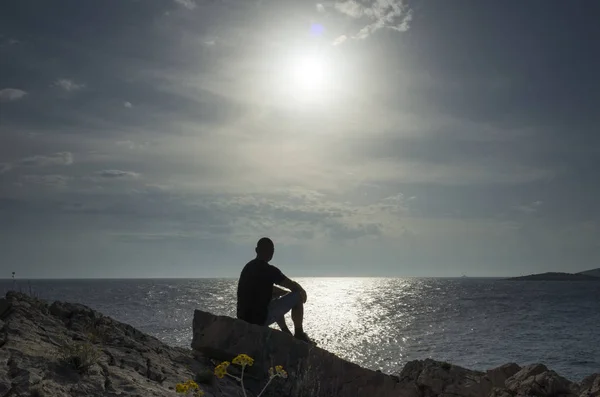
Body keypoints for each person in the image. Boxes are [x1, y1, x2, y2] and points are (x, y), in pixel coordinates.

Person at [236, 237, 312, 343]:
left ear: (257, 250)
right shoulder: (270, 270)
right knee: (297, 295)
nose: (270, 253)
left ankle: (285, 331)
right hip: (259, 319)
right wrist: (301, 292)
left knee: (275, 299)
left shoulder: (248, 268)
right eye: (270, 250)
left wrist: (284, 294)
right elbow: (293, 286)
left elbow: (265, 289)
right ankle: (299, 333)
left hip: (244, 318)